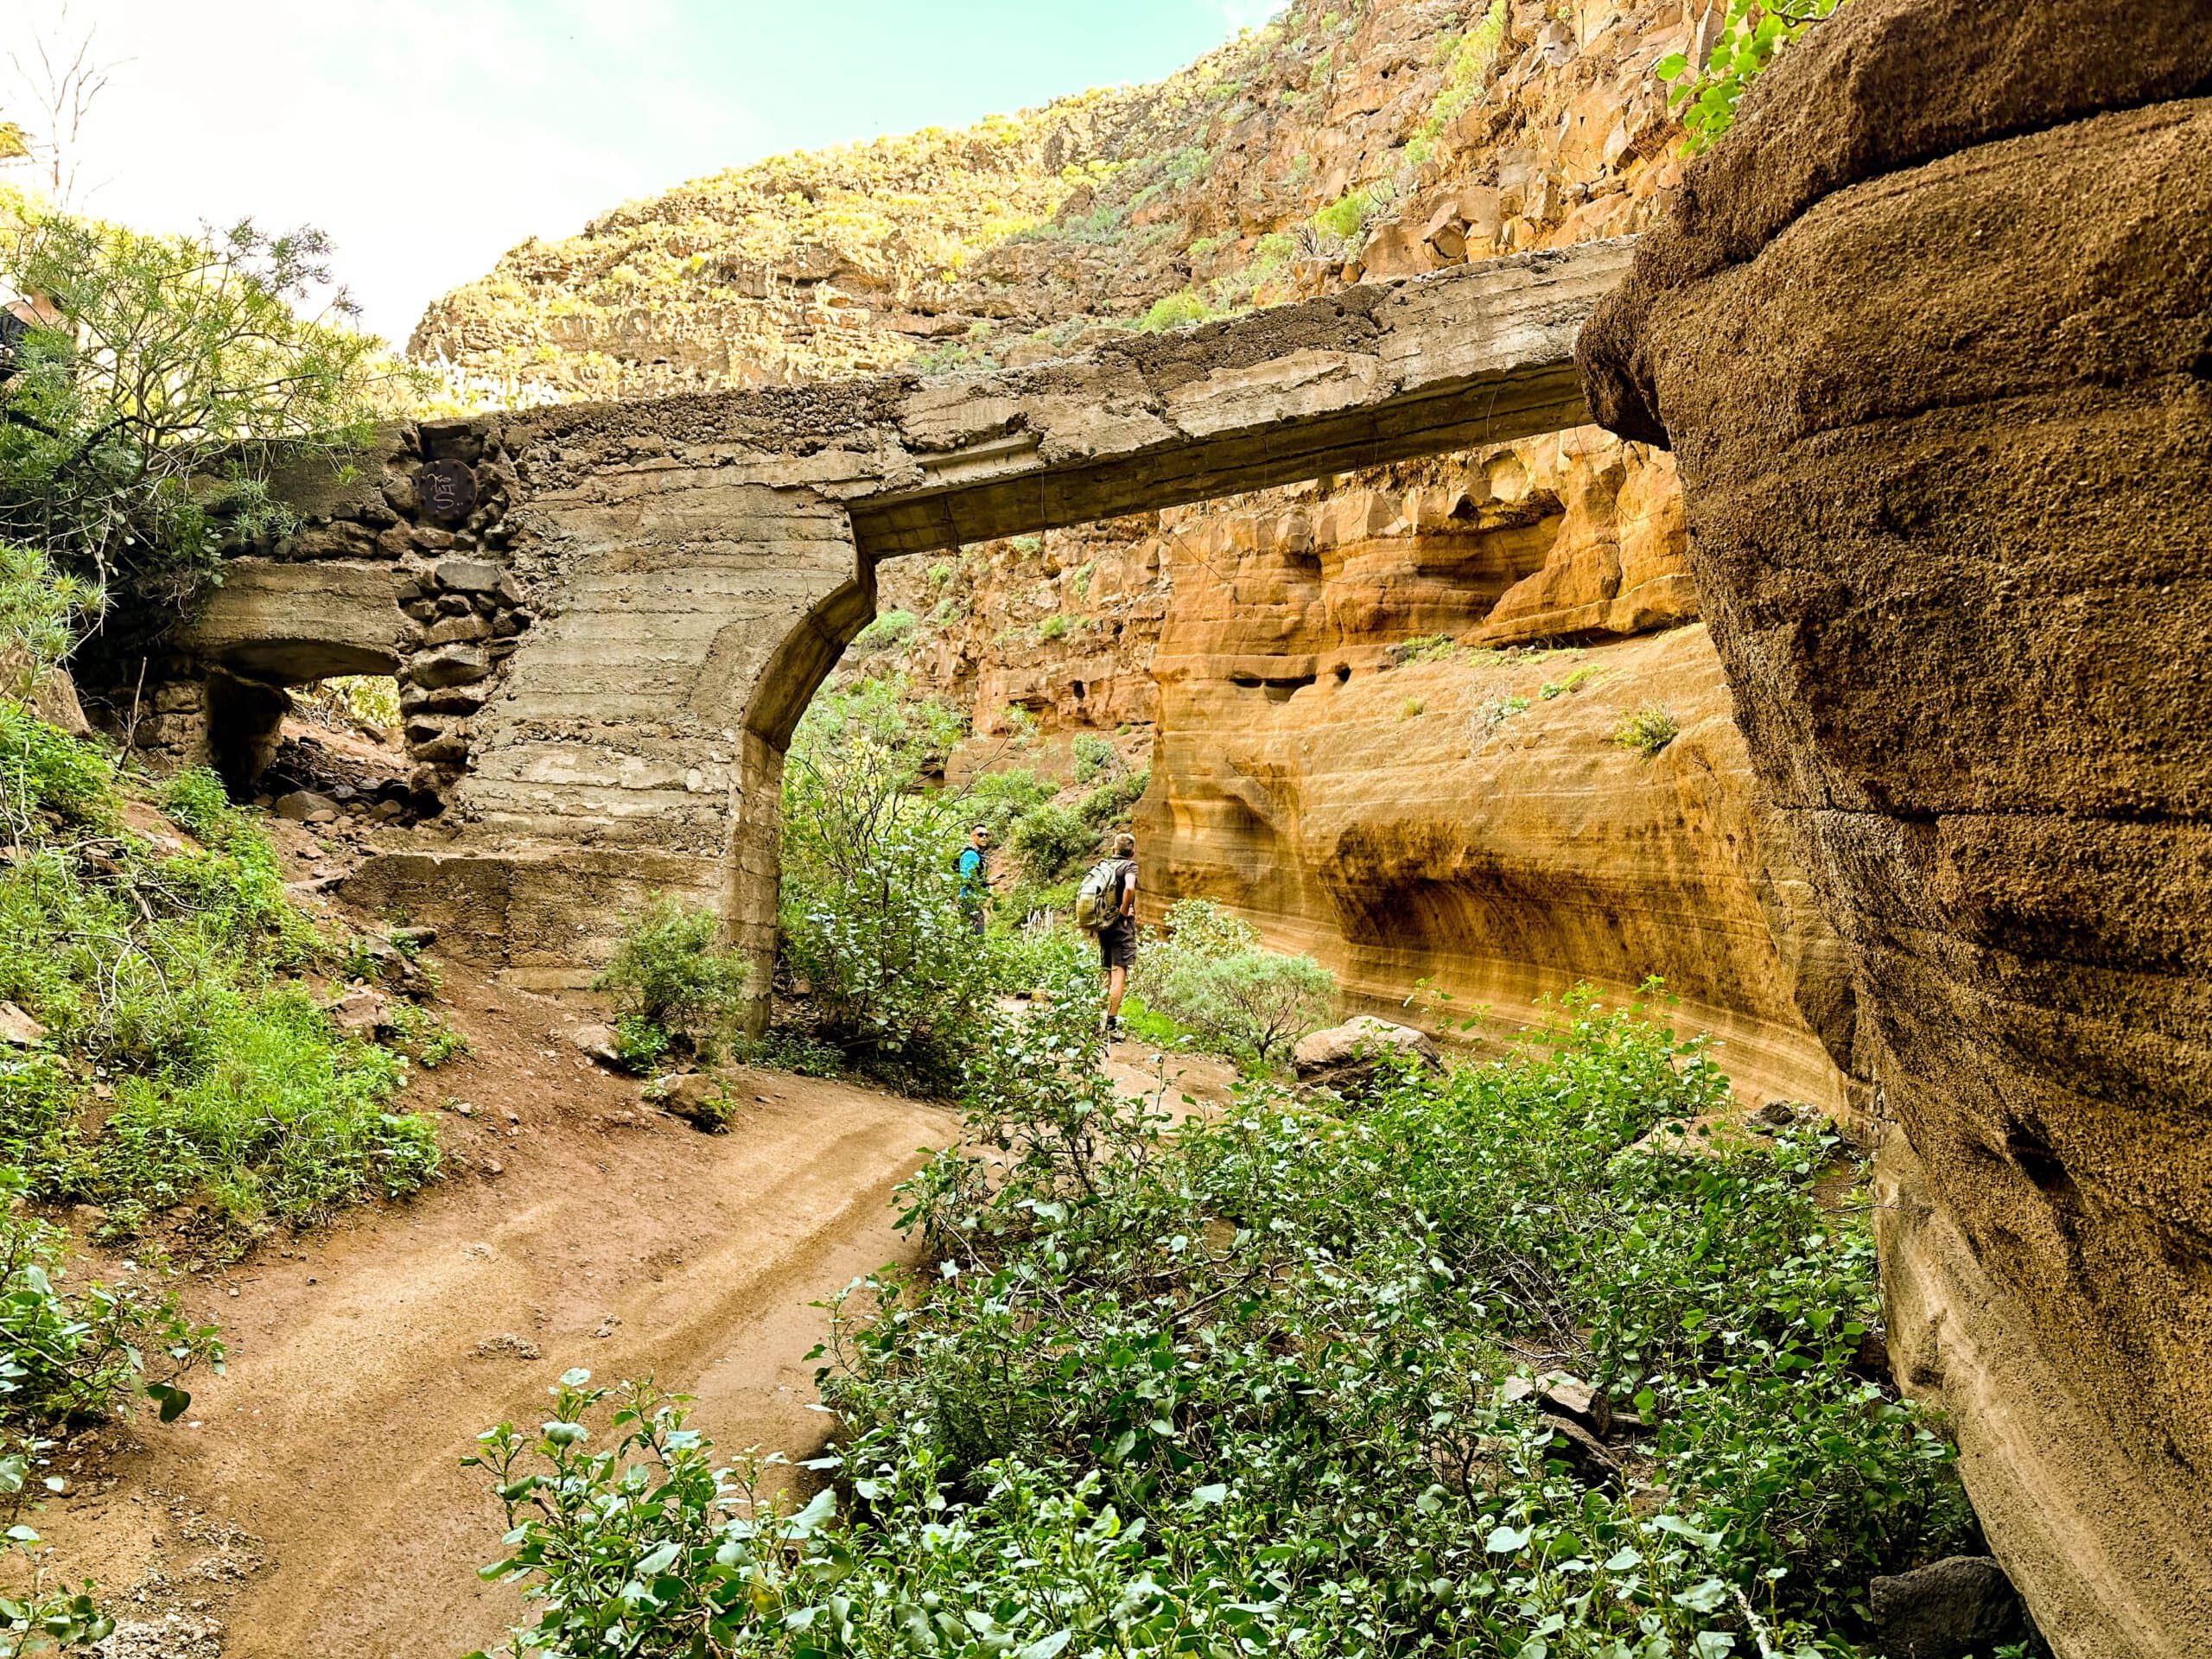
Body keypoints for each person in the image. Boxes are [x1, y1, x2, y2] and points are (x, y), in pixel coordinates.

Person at [1096, 831, 1139, 1040]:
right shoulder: (1129, 867)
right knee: (1118, 975)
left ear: (1114, 849)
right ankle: (1110, 1027)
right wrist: (1123, 910)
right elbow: (1129, 887)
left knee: (1108, 975)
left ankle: (1099, 1019)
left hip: (1103, 925)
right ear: (1132, 852)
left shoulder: (1105, 865)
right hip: (1120, 927)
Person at [956, 824, 991, 934]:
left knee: (969, 936)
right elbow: (966, 879)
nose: (984, 837)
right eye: (980, 835)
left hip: (970, 901)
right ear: (973, 837)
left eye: (986, 835)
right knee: (978, 936)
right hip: (969, 901)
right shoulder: (971, 855)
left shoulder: (977, 855)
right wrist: (987, 882)